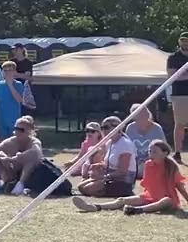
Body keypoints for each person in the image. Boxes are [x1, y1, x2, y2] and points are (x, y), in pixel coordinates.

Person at [74, 140, 188, 214]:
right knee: (122, 200)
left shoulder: (171, 167)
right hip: (149, 197)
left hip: (167, 200)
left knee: (166, 201)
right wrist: (141, 198)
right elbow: (148, 186)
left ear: (165, 153)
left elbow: (180, 187)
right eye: (150, 151)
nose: (151, 154)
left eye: (155, 152)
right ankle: (95, 206)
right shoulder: (148, 165)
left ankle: (137, 210)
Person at [78, 116, 137, 197]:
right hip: (111, 178)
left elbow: (122, 172)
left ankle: (113, 192)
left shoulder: (125, 144)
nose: (103, 131)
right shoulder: (109, 143)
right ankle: (101, 190)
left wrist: (104, 177)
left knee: (88, 189)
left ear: (117, 128)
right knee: (81, 187)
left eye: (106, 127)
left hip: (123, 181)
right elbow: (109, 164)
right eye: (102, 128)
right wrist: (99, 165)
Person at [0, 116, 42, 196]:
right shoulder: (11, 141)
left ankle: (21, 184)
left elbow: (36, 151)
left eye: (21, 130)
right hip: (12, 171)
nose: (18, 132)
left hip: (31, 173)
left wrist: (15, 158)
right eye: (16, 128)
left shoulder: (34, 141)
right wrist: (2, 156)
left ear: (29, 131)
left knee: (30, 158)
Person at [124, 103, 166, 179]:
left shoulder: (157, 128)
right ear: (134, 117)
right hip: (135, 161)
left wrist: (149, 159)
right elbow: (127, 147)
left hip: (152, 160)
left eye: (145, 113)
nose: (143, 116)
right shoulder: (130, 128)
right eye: (139, 114)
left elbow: (163, 148)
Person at [167, 33, 188, 164]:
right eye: (183, 40)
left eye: (187, 41)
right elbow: (172, 77)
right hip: (180, 95)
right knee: (180, 124)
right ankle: (178, 152)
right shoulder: (174, 58)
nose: (185, 43)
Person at [0, 60, 26, 141]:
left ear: (14, 72)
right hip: (1, 118)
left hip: (13, 117)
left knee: (14, 139)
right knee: (2, 139)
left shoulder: (18, 84)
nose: (7, 73)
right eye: (5, 71)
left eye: (10, 71)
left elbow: (20, 99)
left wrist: (10, 85)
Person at [10, 44, 36, 114]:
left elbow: (28, 77)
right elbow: (8, 74)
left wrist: (16, 74)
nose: (14, 51)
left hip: (24, 88)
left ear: (21, 50)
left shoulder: (28, 63)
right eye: (13, 50)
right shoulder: (11, 62)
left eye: (16, 49)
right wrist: (20, 75)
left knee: (24, 108)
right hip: (12, 86)